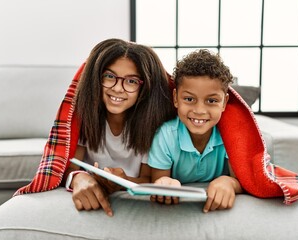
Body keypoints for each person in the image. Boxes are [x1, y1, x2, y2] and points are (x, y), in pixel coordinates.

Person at [62, 38, 176, 217]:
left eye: (131, 81)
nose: (117, 88)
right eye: (109, 76)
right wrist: (79, 177)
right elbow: (67, 166)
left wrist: (123, 181)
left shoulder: (154, 126)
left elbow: (149, 179)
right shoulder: (86, 118)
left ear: (144, 87)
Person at [148, 49, 243, 213]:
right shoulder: (165, 135)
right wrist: (165, 181)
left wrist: (228, 182)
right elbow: (158, 179)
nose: (199, 110)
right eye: (189, 99)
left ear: (224, 102)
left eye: (211, 100)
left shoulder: (232, 136)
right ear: (176, 98)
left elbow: (243, 179)